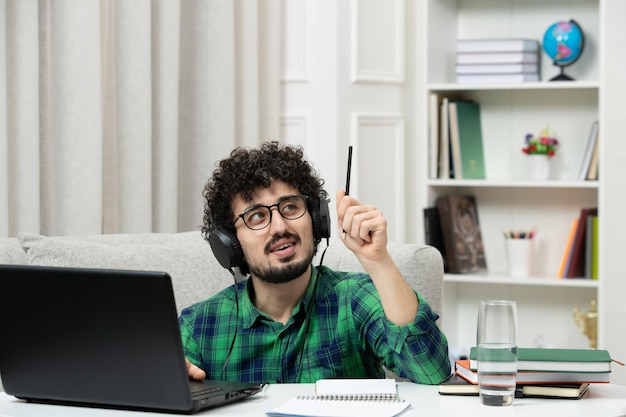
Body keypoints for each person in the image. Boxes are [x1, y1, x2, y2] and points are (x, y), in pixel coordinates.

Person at [179, 141, 450, 384]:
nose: (280, 227)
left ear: (316, 219)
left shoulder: (355, 299)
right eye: (257, 217)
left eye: (290, 207)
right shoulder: (200, 324)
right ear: (230, 243)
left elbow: (431, 370)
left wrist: (377, 260)